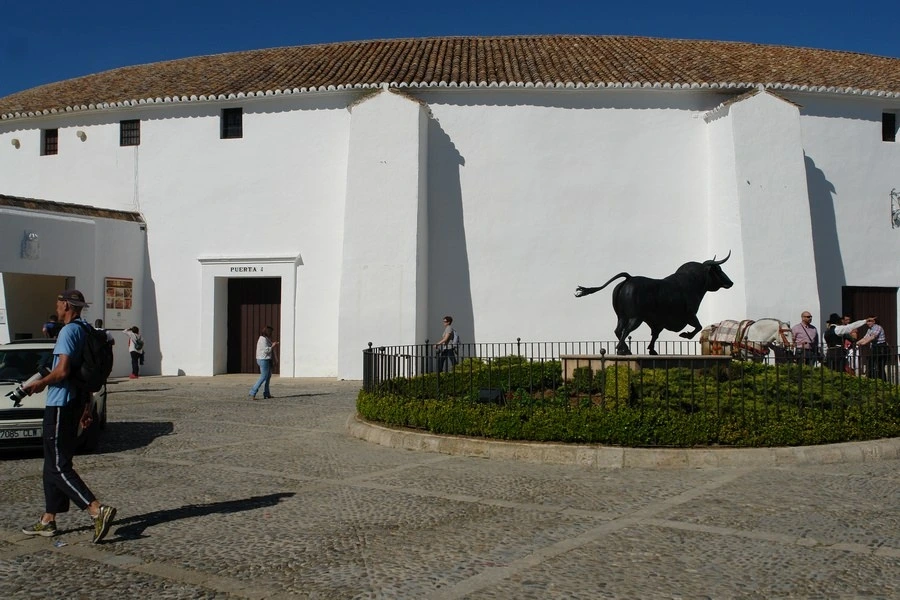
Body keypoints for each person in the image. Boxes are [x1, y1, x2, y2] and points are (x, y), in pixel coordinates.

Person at [21, 290, 117, 543]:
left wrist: (40, 383)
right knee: (52, 463)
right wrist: (86, 408)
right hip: (73, 403)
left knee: (57, 465)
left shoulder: (67, 332)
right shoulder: (85, 329)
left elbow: (62, 371)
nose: (56, 306)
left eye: (58, 302)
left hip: (60, 404)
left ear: (66, 305)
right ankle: (48, 519)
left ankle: (96, 509)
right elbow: (81, 373)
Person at [249, 325, 278, 399]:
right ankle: (253, 392)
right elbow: (266, 350)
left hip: (266, 359)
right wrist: (272, 346)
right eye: (271, 332)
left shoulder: (266, 339)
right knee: (263, 376)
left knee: (268, 376)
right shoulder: (262, 339)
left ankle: (267, 393)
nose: (272, 333)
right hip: (263, 359)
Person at [856, 316, 890, 381]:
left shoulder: (878, 327)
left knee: (880, 366)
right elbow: (865, 337)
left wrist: (864, 343)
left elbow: (873, 336)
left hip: (881, 347)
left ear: (874, 321)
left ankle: (883, 381)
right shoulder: (870, 329)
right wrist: (857, 343)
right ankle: (872, 379)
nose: (867, 323)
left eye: (869, 321)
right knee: (870, 364)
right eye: (867, 321)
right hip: (875, 347)